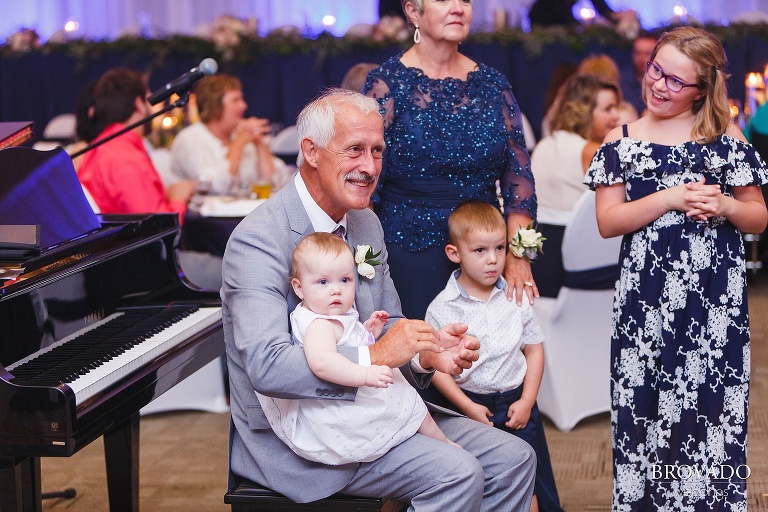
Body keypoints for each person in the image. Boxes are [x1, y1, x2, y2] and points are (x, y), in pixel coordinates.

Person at [221, 88, 536, 509]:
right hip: (304, 433)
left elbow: (388, 324)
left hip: (375, 409)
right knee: (458, 474)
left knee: (515, 458)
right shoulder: (259, 241)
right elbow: (268, 366)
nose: (369, 167)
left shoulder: (364, 224)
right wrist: (379, 355)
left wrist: (427, 354)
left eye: (377, 151)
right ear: (311, 152)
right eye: (354, 150)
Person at [584, 26, 768, 510]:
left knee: (710, 412)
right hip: (646, 308)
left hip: (714, 309)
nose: (660, 85)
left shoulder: (724, 138)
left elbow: (759, 216)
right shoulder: (621, 140)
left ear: (703, 90)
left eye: (675, 81)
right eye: (655, 71)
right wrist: (669, 198)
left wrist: (726, 206)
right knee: (647, 408)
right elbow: (608, 222)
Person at [363, 0, 539, 325]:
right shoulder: (386, 85)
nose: (458, 8)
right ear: (413, 12)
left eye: (465, 0)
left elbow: (519, 183)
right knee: (419, 364)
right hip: (408, 253)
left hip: (483, 256)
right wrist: (369, 266)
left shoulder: (494, 86)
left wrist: (518, 256)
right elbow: (366, 183)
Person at [257, 232, 457, 466]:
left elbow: (348, 343)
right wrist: (365, 373)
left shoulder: (332, 314)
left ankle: (438, 442)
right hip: (340, 406)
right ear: (299, 288)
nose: (336, 290)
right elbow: (323, 363)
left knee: (407, 399)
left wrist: (368, 331)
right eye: (323, 282)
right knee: (408, 400)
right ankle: (441, 442)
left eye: (345, 280)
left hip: (350, 392)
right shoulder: (319, 326)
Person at [425, 201, 563, 512]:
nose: (493, 260)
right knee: (483, 482)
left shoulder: (514, 296)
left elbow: (534, 347)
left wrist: (528, 400)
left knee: (529, 487)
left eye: (500, 248)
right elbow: (436, 368)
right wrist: (467, 406)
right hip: (471, 405)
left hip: (515, 403)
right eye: (480, 251)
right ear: (454, 254)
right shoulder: (443, 307)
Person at [531, 74, 621, 297]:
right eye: (608, 109)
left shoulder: (545, 144)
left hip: (538, 249)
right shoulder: (592, 151)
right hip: (576, 253)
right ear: (585, 111)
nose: (616, 116)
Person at [78, 68, 197, 217]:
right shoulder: (125, 158)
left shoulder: (101, 145)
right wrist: (178, 200)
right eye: (149, 99)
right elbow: (155, 228)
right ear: (139, 104)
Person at [170, 74, 288, 196]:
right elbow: (216, 187)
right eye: (235, 100)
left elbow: (275, 182)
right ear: (215, 106)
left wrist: (258, 143)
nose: (244, 106)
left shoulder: (239, 135)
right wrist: (238, 143)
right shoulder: (191, 139)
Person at [619, 31, 658, 116]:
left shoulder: (663, 83)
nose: (642, 58)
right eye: (638, 53)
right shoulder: (621, 80)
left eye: (647, 53)